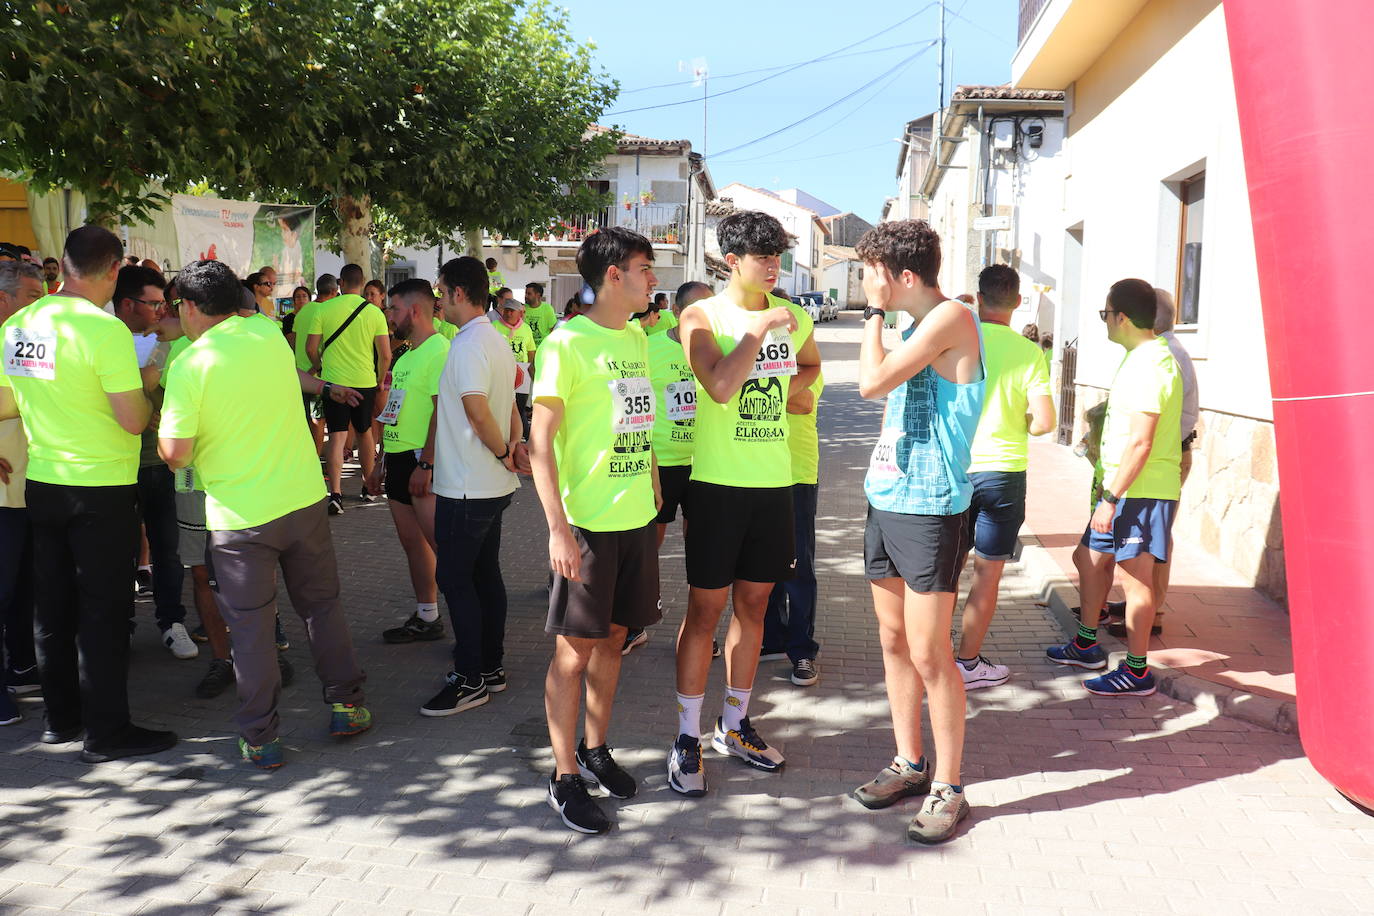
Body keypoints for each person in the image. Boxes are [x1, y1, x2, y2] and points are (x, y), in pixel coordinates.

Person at [159, 259, 371, 769]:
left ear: (189, 307)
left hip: (239, 517)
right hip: (302, 501)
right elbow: (293, 378)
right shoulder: (268, 334)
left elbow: (174, 452)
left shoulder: (190, 362)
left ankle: (261, 738)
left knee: (250, 629)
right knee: (321, 607)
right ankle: (347, 704)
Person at [0, 225, 177, 762]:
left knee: (51, 611)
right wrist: (148, 391)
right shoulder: (104, 332)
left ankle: (61, 721)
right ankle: (106, 733)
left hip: (44, 483)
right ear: (112, 270)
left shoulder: (23, 321)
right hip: (99, 489)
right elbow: (130, 422)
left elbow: (7, 403)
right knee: (102, 612)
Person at [668, 210, 820, 797]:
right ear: (732, 261)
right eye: (762, 256)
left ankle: (734, 724)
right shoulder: (701, 315)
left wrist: (787, 392)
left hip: (774, 486)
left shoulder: (797, 317)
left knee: (755, 609)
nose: (773, 265)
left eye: (778, 254)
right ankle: (686, 735)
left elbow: (811, 368)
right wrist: (758, 332)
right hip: (716, 487)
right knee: (705, 613)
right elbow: (720, 386)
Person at [853, 219, 985, 844]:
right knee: (892, 638)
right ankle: (910, 762)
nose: (864, 283)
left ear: (902, 277)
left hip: (932, 506)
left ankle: (949, 786)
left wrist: (872, 317)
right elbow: (884, 394)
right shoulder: (912, 323)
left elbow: (870, 382)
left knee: (932, 652)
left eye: (870, 272)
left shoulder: (950, 318)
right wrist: (881, 318)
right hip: (887, 495)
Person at [530, 227, 662, 834]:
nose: (652, 279)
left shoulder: (635, 334)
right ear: (614, 275)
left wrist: (654, 482)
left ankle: (595, 747)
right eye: (645, 268)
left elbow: (636, 421)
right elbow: (539, 447)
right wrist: (558, 529)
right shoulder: (565, 343)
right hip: (586, 526)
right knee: (572, 655)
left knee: (614, 642)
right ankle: (563, 777)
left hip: (635, 520)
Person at [1046, 278, 1182, 698]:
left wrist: (1110, 498)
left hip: (1139, 492)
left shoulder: (1153, 364)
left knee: (1137, 581)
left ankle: (1137, 671)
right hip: (1123, 489)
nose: (1105, 322)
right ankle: (1087, 644)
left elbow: (1142, 441)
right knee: (1088, 558)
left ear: (1121, 317)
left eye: (1105, 314)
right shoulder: (1139, 357)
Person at [421, 258, 527, 716]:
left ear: (459, 293)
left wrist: (506, 451)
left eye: (441, 291)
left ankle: (471, 678)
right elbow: (514, 405)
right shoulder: (496, 340)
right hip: (487, 483)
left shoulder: (467, 344)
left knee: (455, 579)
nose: (438, 299)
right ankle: (490, 667)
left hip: (468, 484)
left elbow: (478, 410)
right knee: (484, 576)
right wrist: (512, 448)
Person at [953, 265, 1055, 689]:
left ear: (977, 299)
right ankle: (968, 663)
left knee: (944, 571)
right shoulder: (1029, 352)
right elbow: (1045, 421)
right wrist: (1024, 424)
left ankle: (934, 659)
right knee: (987, 574)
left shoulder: (961, 341)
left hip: (956, 468)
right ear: (1017, 302)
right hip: (1004, 472)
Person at [621, 280, 715, 657]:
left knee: (703, 553)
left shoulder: (720, 350)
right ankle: (633, 623)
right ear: (676, 313)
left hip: (707, 465)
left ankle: (699, 630)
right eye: (696, 312)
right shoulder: (650, 347)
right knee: (647, 547)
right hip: (661, 465)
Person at [110, 265, 197, 659]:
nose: (163, 311)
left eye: (166, 304)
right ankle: (121, 626)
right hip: (116, 466)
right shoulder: (104, 341)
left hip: (161, 463)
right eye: (155, 304)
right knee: (118, 553)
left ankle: (171, 622)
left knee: (168, 548)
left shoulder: (171, 338)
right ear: (127, 304)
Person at [366, 280, 450, 646]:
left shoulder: (440, 350)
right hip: (399, 459)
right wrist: (379, 461)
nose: (389, 316)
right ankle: (427, 616)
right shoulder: (407, 354)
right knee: (412, 542)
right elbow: (394, 411)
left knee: (443, 548)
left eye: (394, 309)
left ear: (415, 311)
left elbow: (441, 411)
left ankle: (472, 631)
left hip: (421, 462)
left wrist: (427, 464)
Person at [306, 264, 390, 514]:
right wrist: (379, 378)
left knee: (337, 435)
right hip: (365, 382)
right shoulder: (374, 313)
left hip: (334, 383)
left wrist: (319, 367)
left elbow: (311, 348)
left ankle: (335, 494)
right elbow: (385, 355)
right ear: (362, 283)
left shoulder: (324, 308)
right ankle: (368, 487)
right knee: (365, 434)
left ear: (340, 283)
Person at [760, 367, 825, 687]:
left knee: (798, 566)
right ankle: (772, 638)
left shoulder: (809, 365)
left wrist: (754, 388)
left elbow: (803, 402)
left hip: (797, 474)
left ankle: (802, 650)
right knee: (761, 564)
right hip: (757, 473)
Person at [0, 260, 45, 724]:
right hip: (2, 494)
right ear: (4, 298)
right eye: (33, 296)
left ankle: (21, 666)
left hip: (30, 486)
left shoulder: (26, 342)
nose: (42, 304)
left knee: (21, 588)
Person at [492, 294, 536, 436]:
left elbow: (530, 351)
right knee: (502, 407)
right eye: (506, 310)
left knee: (519, 407)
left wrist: (530, 370)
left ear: (519, 313)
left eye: (512, 310)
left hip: (521, 374)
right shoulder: (494, 326)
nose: (508, 313)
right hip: (500, 372)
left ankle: (525, 437)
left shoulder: (526, 329)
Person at [524, 282, 557, 348]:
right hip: (527, 348)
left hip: (543, 348)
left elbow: (553, 330)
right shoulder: (522, 309)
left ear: (537, 295)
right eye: (526, 293)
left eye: (529, 294)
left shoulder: (547, 308)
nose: (526, 296)